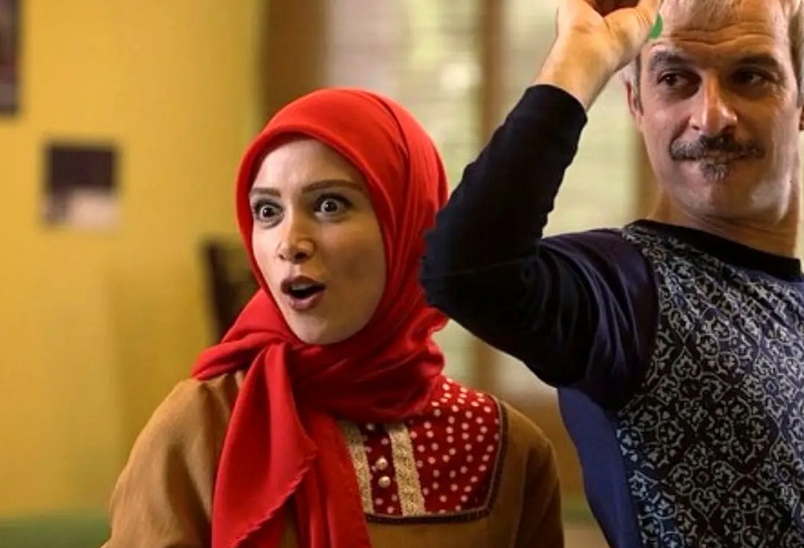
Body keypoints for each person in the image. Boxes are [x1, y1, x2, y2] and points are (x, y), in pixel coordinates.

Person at [101, 88, 564, 548]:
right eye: (267, 211)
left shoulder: (504, 447)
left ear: (409, 225)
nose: (290, 243)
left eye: (329, 205)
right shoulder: (206, 422)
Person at [420, 0, 804, 546]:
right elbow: (468, 271)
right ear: (635, 103)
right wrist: (580, 57)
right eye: (674, 79)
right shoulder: (626, 290)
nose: (712, 115)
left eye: (750, 76)